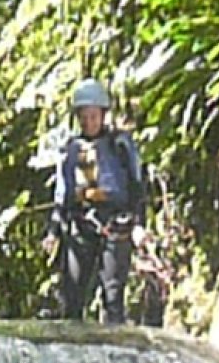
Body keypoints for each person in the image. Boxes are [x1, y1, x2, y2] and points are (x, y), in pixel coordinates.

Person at [45, 78, 149, 323]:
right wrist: (53, 232)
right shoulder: (70, 150)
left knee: (113, 296)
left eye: (93, 116)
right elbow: (63, 196)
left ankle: (113, 351)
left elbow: (137, 186)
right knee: (72, 296)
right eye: (84, 117)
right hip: (81, 224)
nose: (89, 122)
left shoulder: (120, 145)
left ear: (103, 115)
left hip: (116, 226)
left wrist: (139, 224)